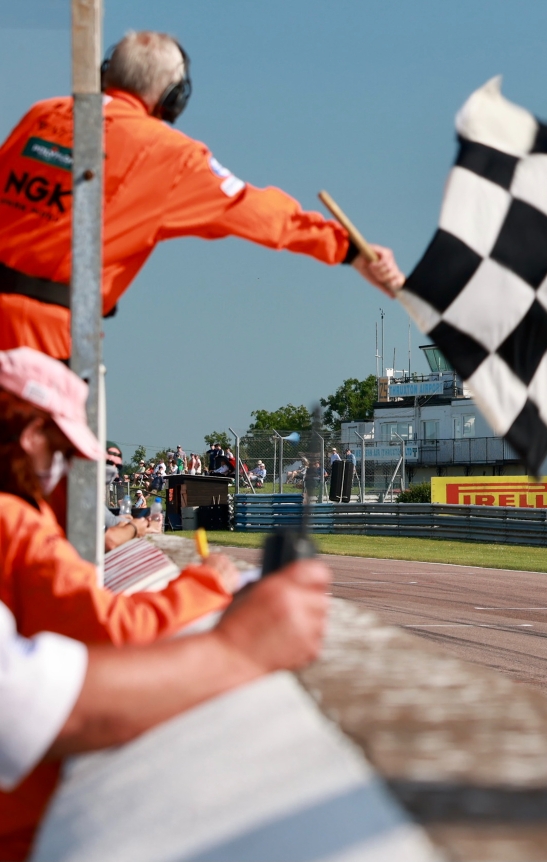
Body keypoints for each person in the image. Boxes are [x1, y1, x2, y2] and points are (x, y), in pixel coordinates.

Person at [0, 347, 302, 858]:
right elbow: (105, 629)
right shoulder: (14, 519)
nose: (59, 470)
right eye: (57, 451)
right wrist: (211, 594)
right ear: (30, 438)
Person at [0, 30, 404, 362]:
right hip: (42, 343)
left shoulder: (42, 113)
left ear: (107, 73)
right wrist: (348, 249)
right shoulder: (171, 155)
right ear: (175, 96)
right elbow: (261, 214)